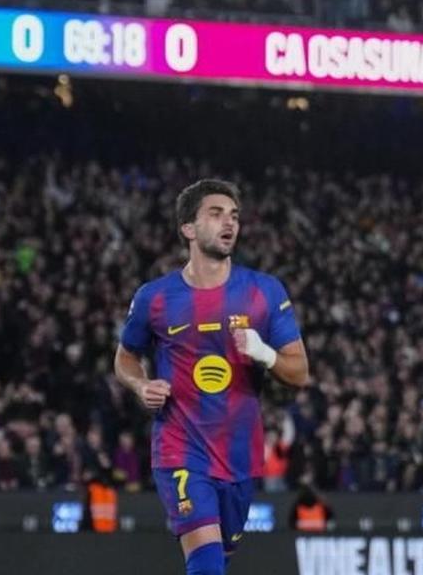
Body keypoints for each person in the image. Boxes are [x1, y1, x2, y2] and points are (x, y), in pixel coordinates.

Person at [113, 179, 310, 575]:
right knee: (205, 564)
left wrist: (264, 353)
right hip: (181, 449)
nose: (229, 223)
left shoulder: (264, 292)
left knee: (218, 563)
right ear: (188, 228)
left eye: (234, 215)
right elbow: (126, 357)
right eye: (216, 214)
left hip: (239, 455)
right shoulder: (155, 297)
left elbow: (299, 372)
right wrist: (141, 384)